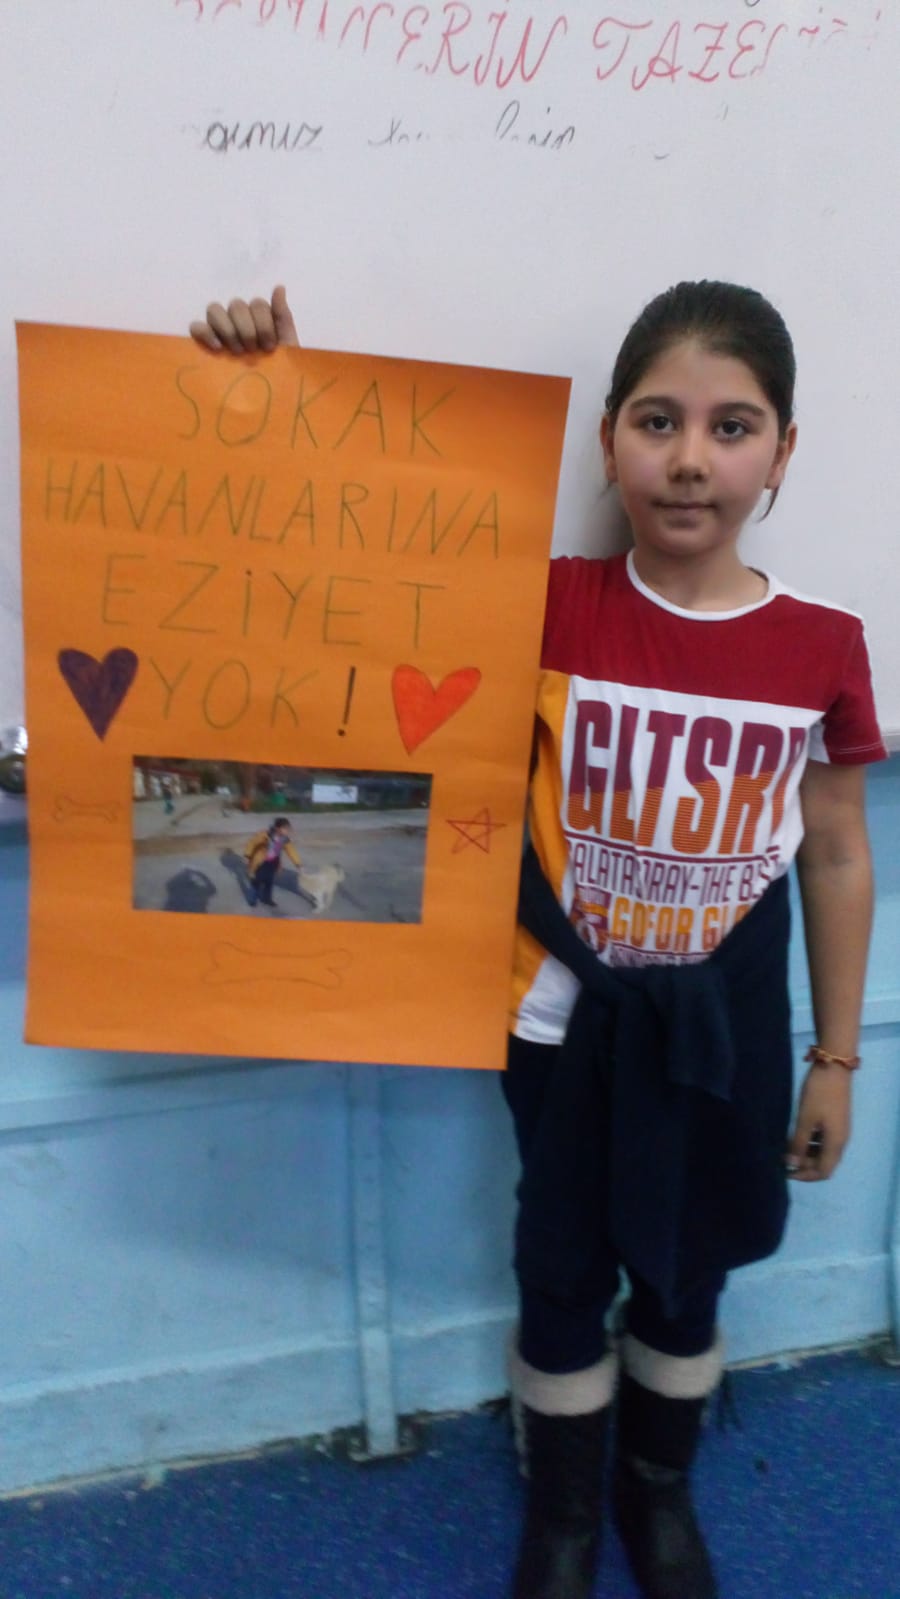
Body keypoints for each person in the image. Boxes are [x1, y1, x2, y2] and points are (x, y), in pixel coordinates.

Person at [190, 284, 884, 1599]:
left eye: (731, 426)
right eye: (657, 421)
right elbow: (346, 568)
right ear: (609, 440)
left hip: (723, 1036)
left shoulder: (821, 645)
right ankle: (565, 1509)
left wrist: (836, 1058)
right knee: (560, 1261)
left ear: (783, 450)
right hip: (558, 1021)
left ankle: (656, 1487)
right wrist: (262, 392)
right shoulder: (542, 604)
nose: (691, 458)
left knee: (688, 1267)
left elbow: (838, 849)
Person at [243, 816, 301, 908]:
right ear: (277, 828)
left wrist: (298, 863)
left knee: (269, 881)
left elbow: (291, 850)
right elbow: (252, 843)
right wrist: (247, 856)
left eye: (288, 829)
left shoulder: (285, 839)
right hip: (261, 862)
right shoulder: (265, 835)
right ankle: (253, 899)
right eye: (285, 828)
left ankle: (267, 899)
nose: (287, 831)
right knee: (256, 880)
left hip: (273, 862)